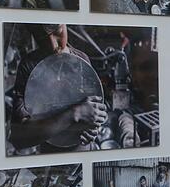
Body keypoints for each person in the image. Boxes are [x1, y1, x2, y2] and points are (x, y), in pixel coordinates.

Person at [8, 24, 108, 154]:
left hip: (82, 152)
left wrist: (94, 128)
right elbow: (20, 139)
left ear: (65, 24)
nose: (53, 45)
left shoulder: (82, 60)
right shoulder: (29, 65)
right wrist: (75, 113)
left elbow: (95, 109)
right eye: (42, 38)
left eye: (57, 31)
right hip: (50, 158)